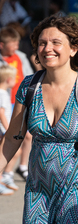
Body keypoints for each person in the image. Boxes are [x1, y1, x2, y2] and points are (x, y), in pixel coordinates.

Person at [0, 14, 78, 223]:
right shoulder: (29, 86)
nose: (47, 48)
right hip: (37, 193)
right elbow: (12, 138)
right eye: (42, 43)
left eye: (56, 42)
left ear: (73, 49)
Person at [0, 26, 33, 183]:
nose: (16, 47)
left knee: (28, 136)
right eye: (13, 44)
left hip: (20, 103)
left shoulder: (20, 56)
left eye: (17, 43)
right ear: (2, 45)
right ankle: (6, 173)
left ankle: (23, 167)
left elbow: (28, 75)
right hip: (5, 105)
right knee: (8, 138)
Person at [0, 65, 18, 195]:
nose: (16, 80)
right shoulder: (2, 94)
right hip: (2, 130)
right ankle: (3, 178)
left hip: (3, 130)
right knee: (6, 153)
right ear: (8, 80)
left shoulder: (4, 93)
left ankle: (4, 177)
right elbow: (1, 113)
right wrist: (8, 129)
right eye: (14, 78)